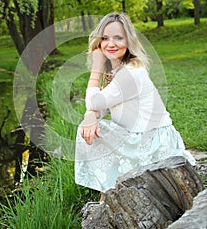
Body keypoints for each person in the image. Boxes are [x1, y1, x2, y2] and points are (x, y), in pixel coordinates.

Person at [75, 13, 195, 199]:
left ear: (129, 41)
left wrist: (96, 69)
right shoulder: (117, 70)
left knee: (87, 133)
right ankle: (111, 190)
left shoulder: (131, 72)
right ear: (99, 42)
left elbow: (94, 102)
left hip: (153, 142)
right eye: (105, 38)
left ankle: (111, 191)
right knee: (87, 129)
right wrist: (89, 116)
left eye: (118, 38)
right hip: (138, 138)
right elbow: (99, 108)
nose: (111, 43)